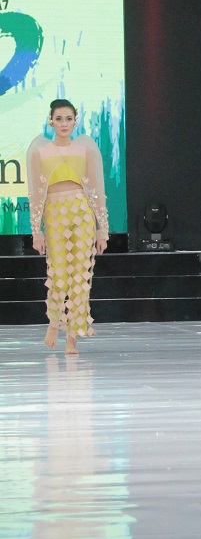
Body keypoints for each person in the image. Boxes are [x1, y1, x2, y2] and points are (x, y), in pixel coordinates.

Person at [27, 98, 109, 353]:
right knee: (59, 273)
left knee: (80, 275)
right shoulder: (40, 152)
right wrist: (36, 231)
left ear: (75, 121)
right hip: (54, 212)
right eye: (59, 119)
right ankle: (54, 323)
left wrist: (102, 229)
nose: (64, 123)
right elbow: (36, 195)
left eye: (69, 119)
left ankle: (72, 335)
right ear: (51, 121)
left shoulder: (85, 150)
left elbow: (96, 191)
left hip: (81, 212)